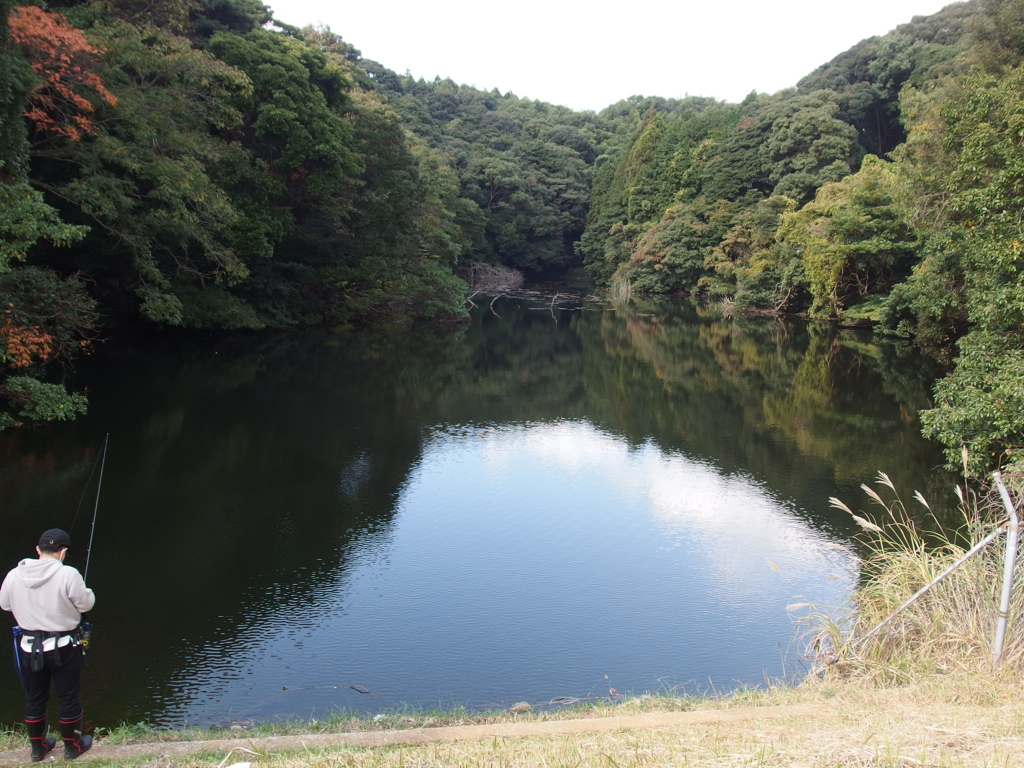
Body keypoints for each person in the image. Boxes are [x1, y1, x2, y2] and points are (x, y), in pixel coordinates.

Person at [0, 528, 95, 761]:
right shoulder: (68, 574)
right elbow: (86, 605)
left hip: (29, 648)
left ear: (38, 550)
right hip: (64, 647)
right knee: (68, 697)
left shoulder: (14, 574)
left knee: (34, 698)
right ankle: (73, 746)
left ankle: (38, 748)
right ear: (63, 552)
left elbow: (5, 605)